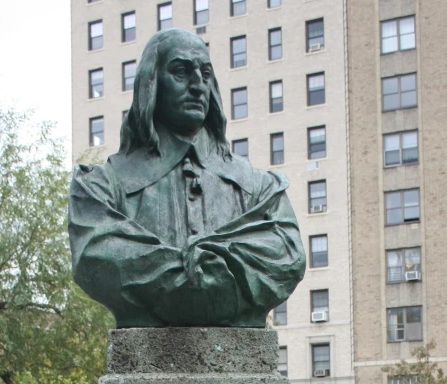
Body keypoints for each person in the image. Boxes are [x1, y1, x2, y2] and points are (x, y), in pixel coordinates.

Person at [68, 28, 305, 328]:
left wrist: (166, 271)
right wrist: (214, 268)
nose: (197, 85)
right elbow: (98, 256)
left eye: (205, 74)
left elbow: (287, 258)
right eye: (181, 71)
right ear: (151, 85)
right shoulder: (98, 189)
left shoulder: (262, 189)